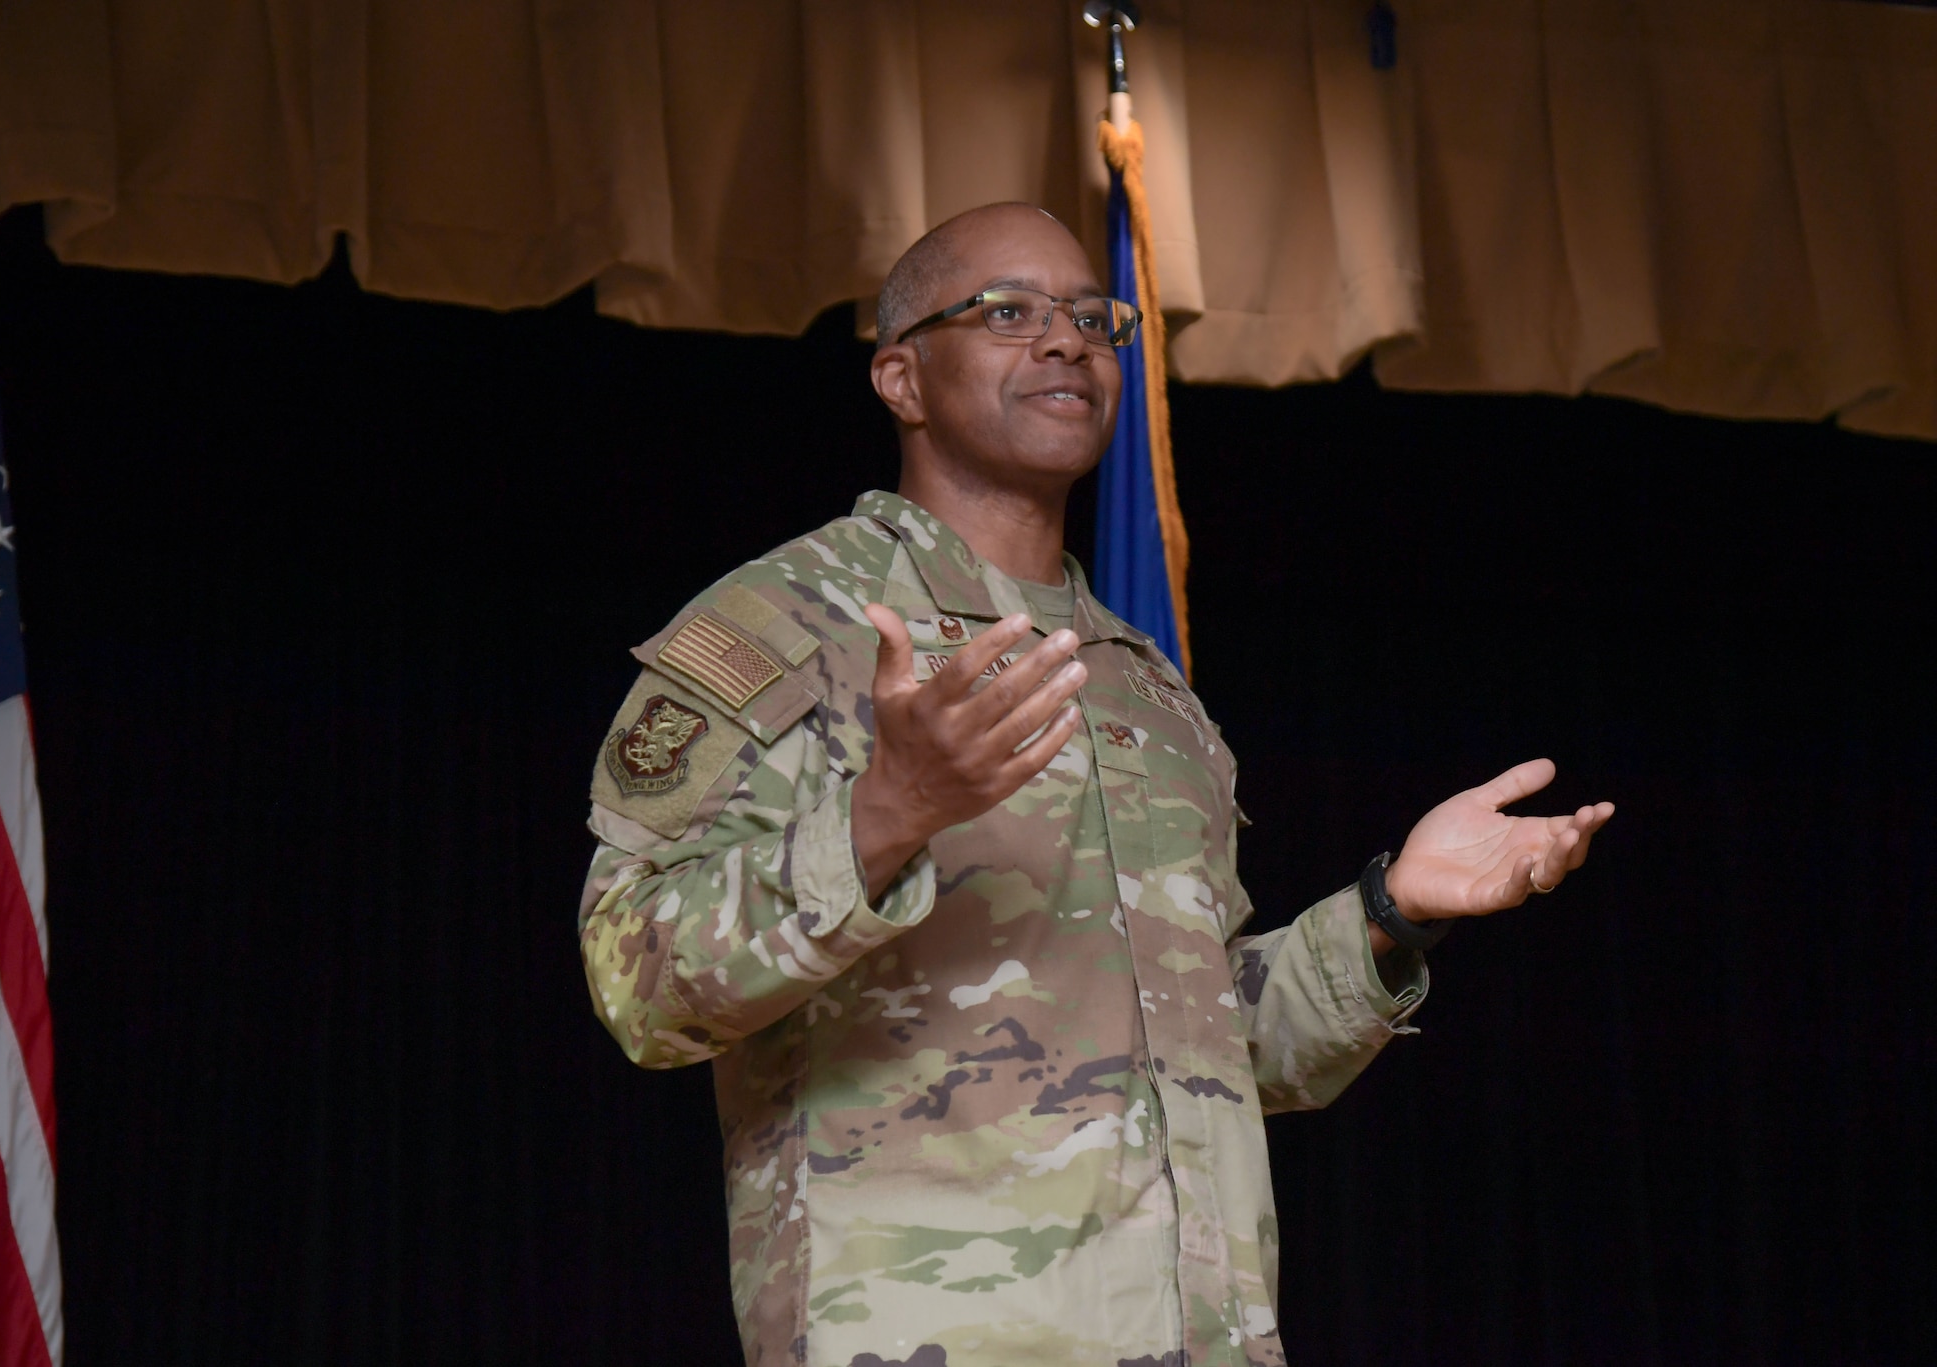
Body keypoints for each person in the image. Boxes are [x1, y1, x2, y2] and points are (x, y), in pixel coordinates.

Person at [578, 202, 1612, 1367]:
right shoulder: (790, 626)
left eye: (1089, 317)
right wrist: (887, 812)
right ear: (901, 379)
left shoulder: (1143, 685)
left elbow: (1216, 1050)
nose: (1066, 341)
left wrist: (1389, 912)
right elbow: (638, 982)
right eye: (1007, 312)